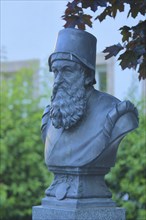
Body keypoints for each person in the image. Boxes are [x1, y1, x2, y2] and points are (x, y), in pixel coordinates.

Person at [41, 28, 138, 200]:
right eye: (55, 71)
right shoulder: (50, 117)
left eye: (67, 71)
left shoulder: (117, 114)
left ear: (87, 75)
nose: (58, 81)